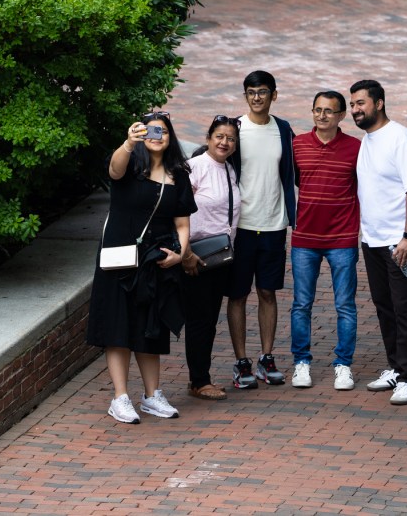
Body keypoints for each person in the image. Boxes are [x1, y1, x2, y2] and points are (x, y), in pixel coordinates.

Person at [86, 111, 197, 423]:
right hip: (119, 258)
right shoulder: (131, 164)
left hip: (155, 260)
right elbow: (113, 169)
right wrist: (127, 142)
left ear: (170, 136)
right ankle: (120, 397)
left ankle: (152, 395)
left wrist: (180, 254)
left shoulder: (178, 174)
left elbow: (183, 223)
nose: (155, 136)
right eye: (149, 130)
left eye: (161, 131)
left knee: (151, 326)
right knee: (118, 328)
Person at [349, 79, 407, 406]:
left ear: (379, 103)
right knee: (384, 306)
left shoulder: (401, 139)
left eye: (360, 103)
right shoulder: (368, 140)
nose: (355, 110)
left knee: (405, 307)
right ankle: (396, 366)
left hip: (400, 243)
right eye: (352, 104)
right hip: (373, 240)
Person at [227, 70, 296, 389]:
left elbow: (296, 172)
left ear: (274, 95)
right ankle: (241, 362)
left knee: (268, 292)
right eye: (251, 91)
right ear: (246, 96)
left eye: (263, 91)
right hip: (240, 227)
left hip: (273, 224)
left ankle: (267, 358)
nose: (257, 97)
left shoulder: (283, 130)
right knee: (238, 294)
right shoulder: (234, 129)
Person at [289, 91, 361, 391]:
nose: (322, 116)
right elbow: (296, 179)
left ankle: (343, 365)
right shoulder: (298, 145)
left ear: (342, 115)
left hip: (342, 238)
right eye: (317, 110)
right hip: (304, 237)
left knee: (344, 305)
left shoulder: (356, 148)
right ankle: (301, 362)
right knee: (301, 304)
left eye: (329, 111)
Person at [181, 115, 242, 401]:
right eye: (219, 136)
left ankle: (200, 378)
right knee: (198, 319)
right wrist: (186, 253)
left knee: (207, 319)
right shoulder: (195, 167)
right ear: (208, 138)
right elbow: (177, 211)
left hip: (219, 257)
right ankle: (199, 381)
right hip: (196, 256)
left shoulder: (228, 169)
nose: (225, 142)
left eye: (230, 138)